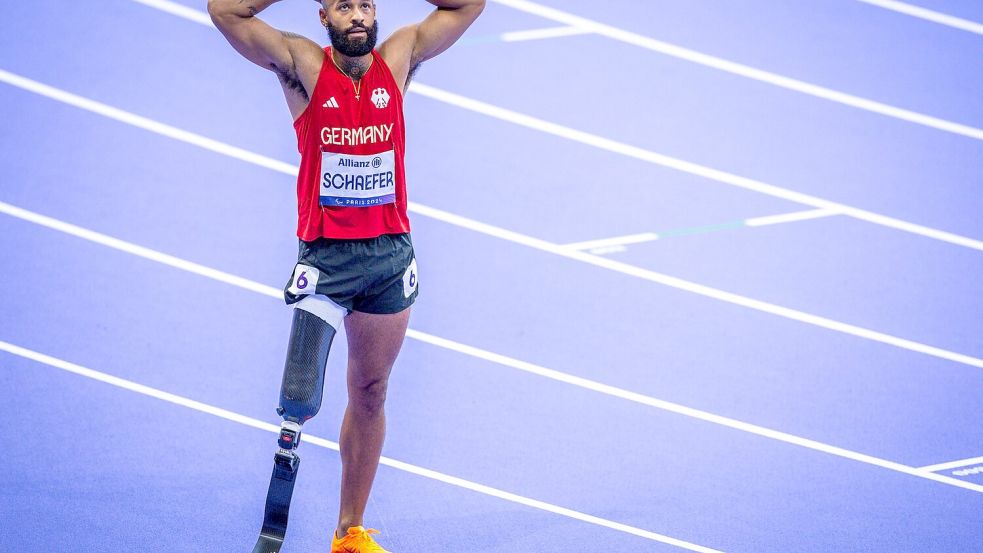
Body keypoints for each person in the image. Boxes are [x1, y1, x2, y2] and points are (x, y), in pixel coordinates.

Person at [206, 1, 485, 551]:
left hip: (388, 256)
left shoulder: (398, 57)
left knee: (371, 390)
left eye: (363, 5)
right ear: (323, 17)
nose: (356, 16)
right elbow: (226, 12)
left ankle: (348, 533)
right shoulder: (303, 65)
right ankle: (275, 520)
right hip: (327, 261)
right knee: (299, 397)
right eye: (342, 6)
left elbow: (468, 6)